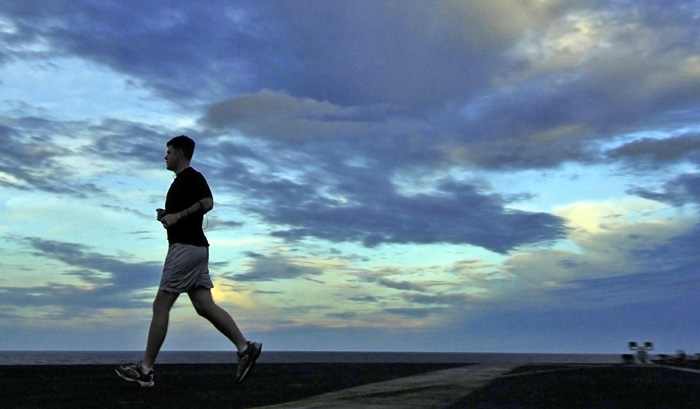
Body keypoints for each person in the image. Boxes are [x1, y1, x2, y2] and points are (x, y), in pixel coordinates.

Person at [116, 135, 261, 387]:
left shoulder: (192, 177)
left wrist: (178, 217)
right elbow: (187, 213)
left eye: (169, 151)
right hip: (195, 249)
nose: (165, 156)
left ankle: (146, 370)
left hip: (185, 249)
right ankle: (245, 347)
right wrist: (168, 217)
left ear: (180, 153)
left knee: (160, 305)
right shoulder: (180, 183)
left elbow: (207, 203)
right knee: (204, 306)